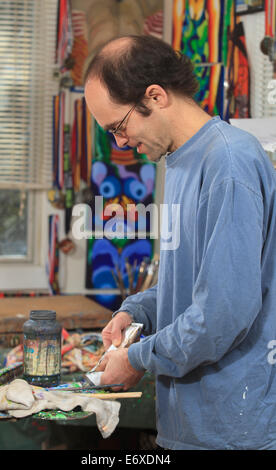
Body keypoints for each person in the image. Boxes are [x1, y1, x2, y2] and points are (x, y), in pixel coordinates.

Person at [84, 34, 276, 450]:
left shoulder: (228, 162)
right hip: (188, 423)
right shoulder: (181, 162)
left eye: (119, 127)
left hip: (231, 428)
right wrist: (135, 312)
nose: (121, 144)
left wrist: (135, 359)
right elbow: (191, 284)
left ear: (155, 96)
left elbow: (222, 313)